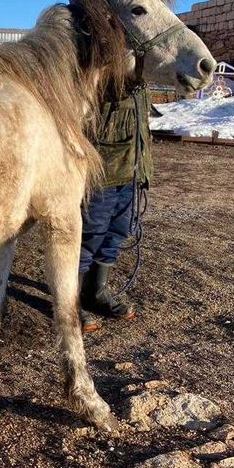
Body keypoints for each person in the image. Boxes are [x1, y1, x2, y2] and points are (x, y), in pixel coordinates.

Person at [78, 84, 154, 332]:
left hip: (130, 174)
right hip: (101, 176)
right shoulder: (102, 75)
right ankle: (68, 302)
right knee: (87, 239)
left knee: (116, 234)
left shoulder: (140, 86)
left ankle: (96, 292)